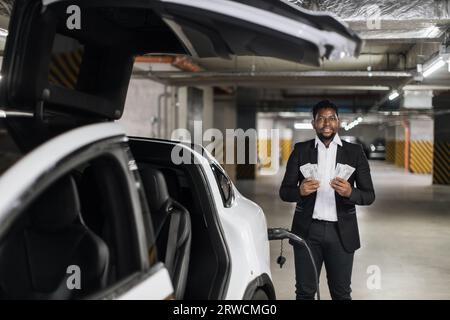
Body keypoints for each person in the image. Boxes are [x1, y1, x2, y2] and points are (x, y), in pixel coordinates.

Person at [279, 100, 375, 300]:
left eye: (332, 118)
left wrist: (350, 192)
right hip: (307, 232)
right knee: (305, 293)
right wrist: (300, 191)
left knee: (341, 293)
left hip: (341, 234)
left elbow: (369, 195)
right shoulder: (301, 150)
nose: (326, 123)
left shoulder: (354, 152)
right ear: (313, 123)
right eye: (321, 118)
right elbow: (285, 192)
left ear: (338, 122)